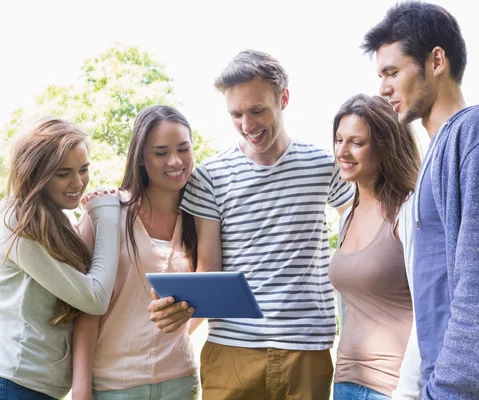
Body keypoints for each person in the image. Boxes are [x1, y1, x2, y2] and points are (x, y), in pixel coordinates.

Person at [362, 2, 479, 399]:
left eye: (393, 72)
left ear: (437, 61)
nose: (383, 88)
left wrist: (448, 392)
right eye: (380, 75)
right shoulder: (437, 155)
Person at [148, 49, 354, 400]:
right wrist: (178, 307)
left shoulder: (324, 166)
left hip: (307, 348)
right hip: (232, 349)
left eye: (257, 110)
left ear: (283, 98)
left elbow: (360, 228)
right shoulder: (210, 178)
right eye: (236, 114)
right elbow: (209, 267)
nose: (247, 125)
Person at [0, 117, 121, 400]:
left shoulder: (56, 221)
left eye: (84, 170)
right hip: (7, 386)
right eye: (63, 173)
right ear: (36, 173)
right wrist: (107, 216)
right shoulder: (16, 221)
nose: (78, 182)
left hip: (29, 388)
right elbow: (94, 297)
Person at [71, 105, 200, 400]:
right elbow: (86, 308)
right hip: (114, 384)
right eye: (160, 152)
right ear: (141, 158)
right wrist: (81, 390)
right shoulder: (106, 213)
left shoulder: (201, 217)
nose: (175, 161)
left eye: (183, 149)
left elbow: (205, 291)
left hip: (181, 380)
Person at [329, 94, 421, 400]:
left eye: (356, 142)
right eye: (339, 139)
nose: (342, 151)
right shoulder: (346, 218)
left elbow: (433, 309)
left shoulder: (409, 213)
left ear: (385, 147)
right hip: (344, 382)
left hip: (393, 388)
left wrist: (408, 392)